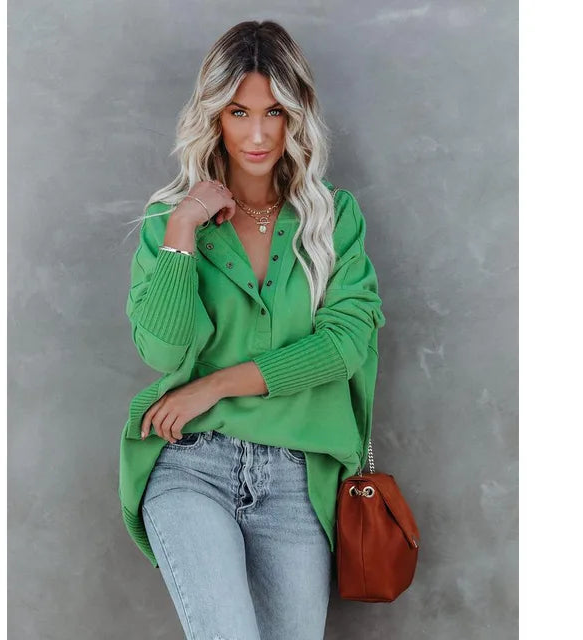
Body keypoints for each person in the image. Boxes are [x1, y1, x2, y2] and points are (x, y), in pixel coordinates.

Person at [119, 20, 386, 640]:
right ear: (214, 115)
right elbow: (161, 349)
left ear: (297, 116)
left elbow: (344, 346)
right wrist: (182, 230)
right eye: (239, 112)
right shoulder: (169, 222)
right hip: (191, 465)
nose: (259, 134)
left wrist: (214, 386)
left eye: (274, 112)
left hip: (298, 477)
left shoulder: (333, 218)